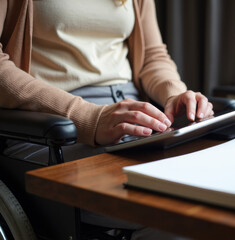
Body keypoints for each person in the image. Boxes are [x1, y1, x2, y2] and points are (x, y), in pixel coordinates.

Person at [0, 0, 213, 239]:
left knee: (216, 187)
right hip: (51, 130)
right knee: (179, 207)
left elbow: (153, 56)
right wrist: (89, 118)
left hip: (136, 121)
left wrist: (174, 93)